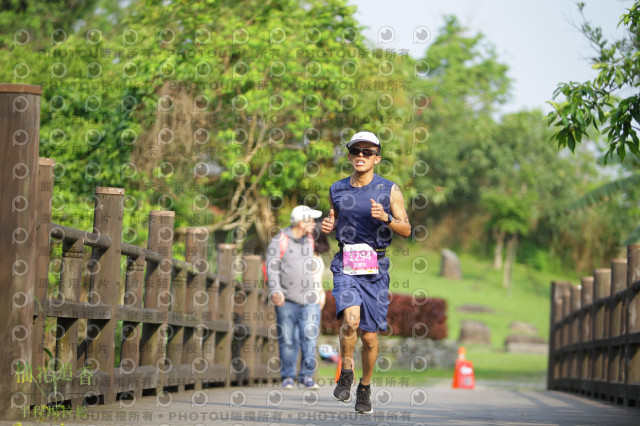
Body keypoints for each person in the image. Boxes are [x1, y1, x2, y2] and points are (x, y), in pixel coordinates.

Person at [321, 131, 411, 414]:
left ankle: (365, 385)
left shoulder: (389, 190)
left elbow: (406, 229)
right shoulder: (337, 189)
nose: (361, 156)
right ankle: (346, 370)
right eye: (356, 151)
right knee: (350, 319)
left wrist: (385, 218)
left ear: (377, 158)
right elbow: (335, 219)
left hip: (375, 267)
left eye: (367, 152)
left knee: (370, 337)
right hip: (346, 261)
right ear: (349, 156)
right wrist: (329, 224)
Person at [266, 205, 323, 390]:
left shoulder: (311, 239)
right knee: (288, 340)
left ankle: (307, 377)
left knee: (310, 337)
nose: (314, 223)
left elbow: (317, 266)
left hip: (310, 300)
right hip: (287, 300)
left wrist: (320, 290)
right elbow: (271, 267)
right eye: (311, 220)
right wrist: (276, 290)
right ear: (301, 221)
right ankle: (288, 376)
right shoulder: (280, 240)